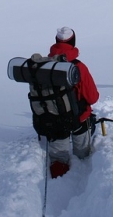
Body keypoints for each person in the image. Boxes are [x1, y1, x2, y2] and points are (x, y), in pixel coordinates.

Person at [45, 27, 99, 178]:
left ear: (56, 41)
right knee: (83, 155)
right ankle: (84, 178)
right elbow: (92, 97)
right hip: (78, 119)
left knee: (58, 160)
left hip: (53, 119)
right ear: (73, 42)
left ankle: (59, 179)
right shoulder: (79, 67)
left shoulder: (45, 65)